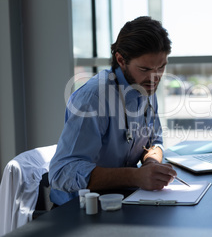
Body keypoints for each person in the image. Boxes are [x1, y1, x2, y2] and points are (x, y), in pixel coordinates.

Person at [49, 16, 177, 206]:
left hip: (122, 200)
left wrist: (151, 163)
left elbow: (154, 141)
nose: (155, 77)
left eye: (161, 67)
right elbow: (62, 172)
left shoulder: (147, 88)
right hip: (80, 209)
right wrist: (136, 176)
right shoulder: (94, 98)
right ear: (120, 60)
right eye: (145, 69)